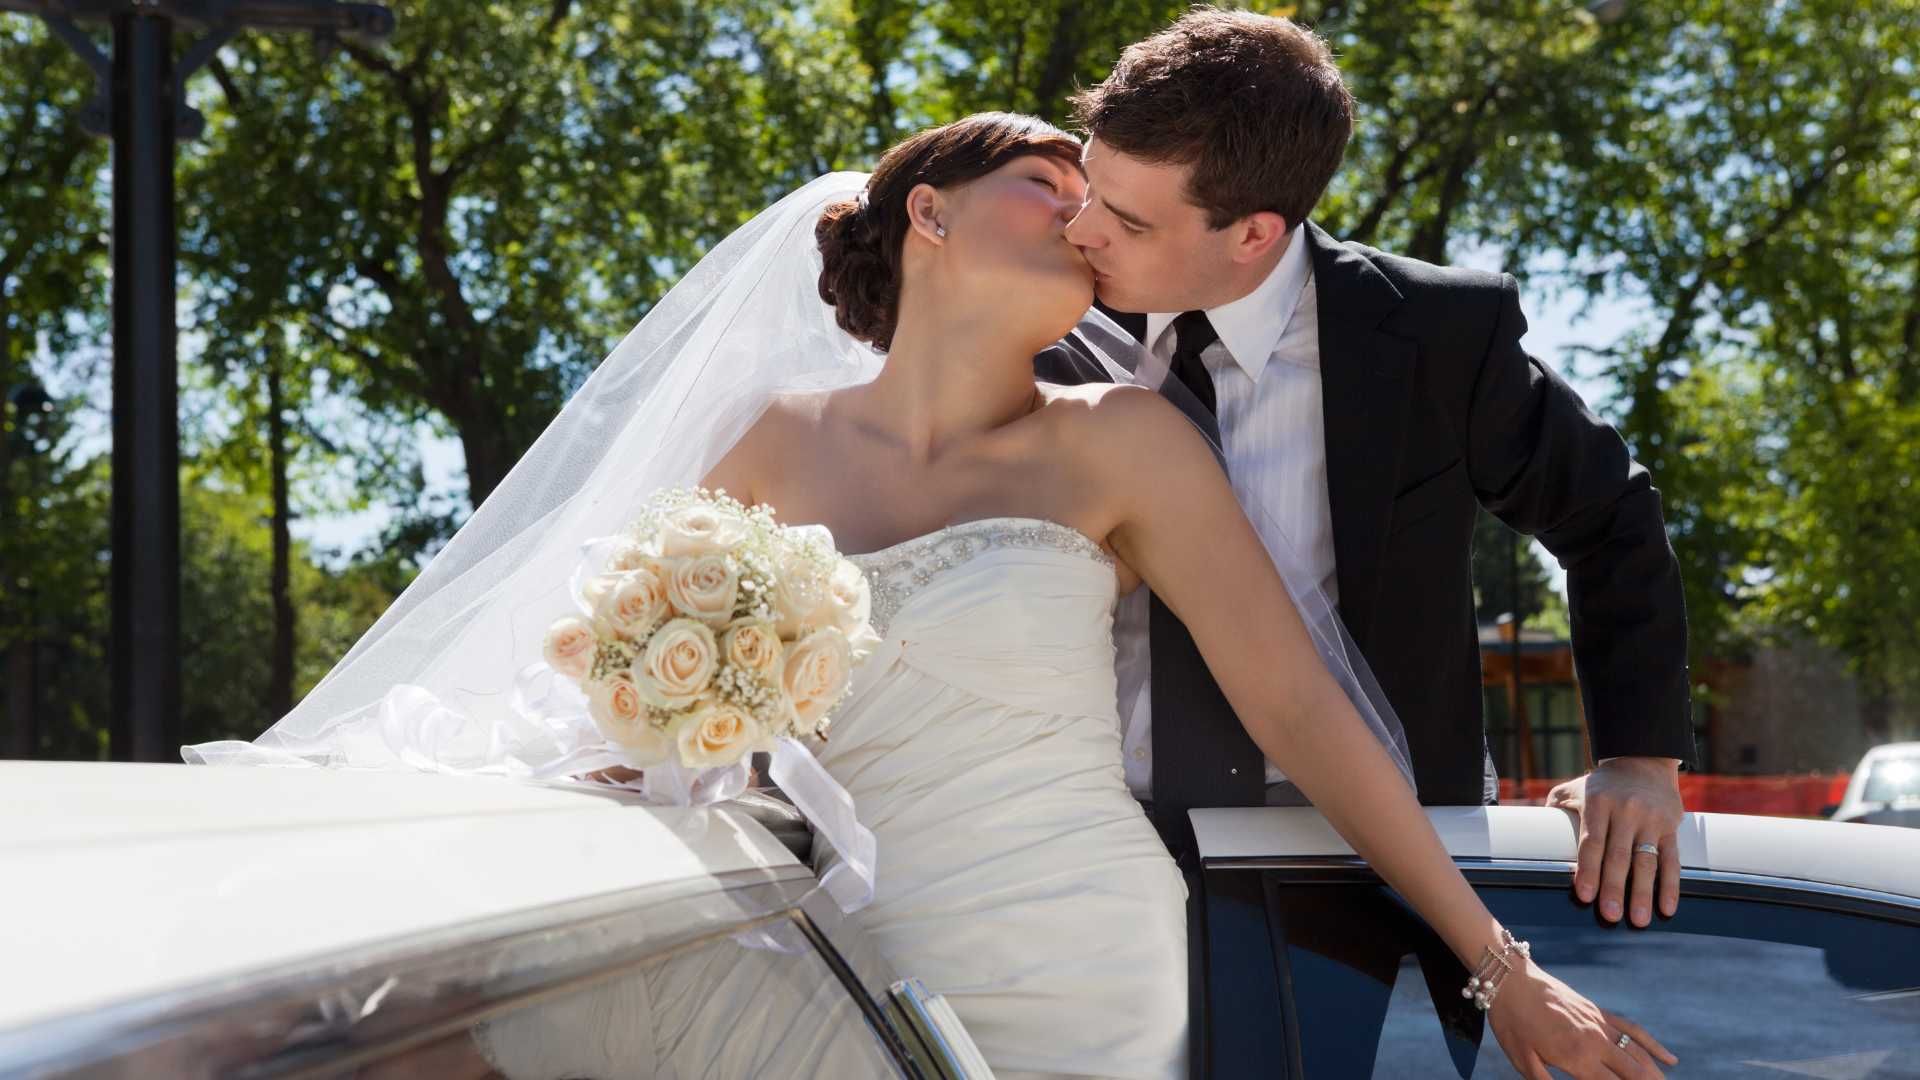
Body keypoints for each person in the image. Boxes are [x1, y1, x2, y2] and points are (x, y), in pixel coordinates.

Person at [1038, 9, 1696, 938]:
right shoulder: (1037, 326)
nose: (1084, 228)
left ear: (1255, 233)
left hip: (1370, 873)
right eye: (1088, 186)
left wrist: (1638, 757)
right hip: (1088, 852)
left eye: (1129, 218)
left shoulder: (1436, 338)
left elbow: (1610, 514)